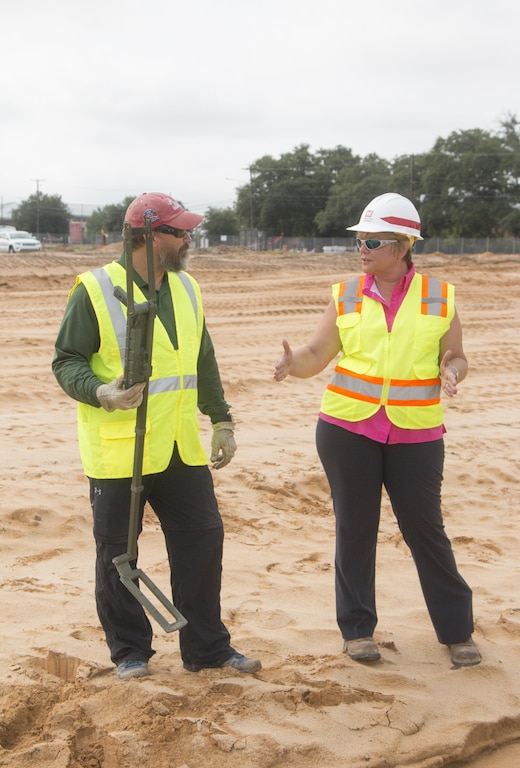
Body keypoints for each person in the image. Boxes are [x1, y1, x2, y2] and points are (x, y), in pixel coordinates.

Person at [52, 191, 261, 680]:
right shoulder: (95, 289)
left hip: (179, 445)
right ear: (145, 236)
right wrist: (102, 391)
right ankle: (129, 652)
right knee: (118, 554)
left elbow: (201, 358)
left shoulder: (187, 288)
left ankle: (207, 648)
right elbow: (66, 361)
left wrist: (221, 417)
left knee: (203, 542)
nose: (188, 239)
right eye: (178, 231)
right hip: (121, 450)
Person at [274, 192, 481, 668]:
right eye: (360, 239)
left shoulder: (440, 297)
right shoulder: (346, 293)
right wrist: (294, 364)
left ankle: (456, 631)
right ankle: (357, 631)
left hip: (417, 432)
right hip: (347, 429)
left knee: (426, 530)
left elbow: (459, 357)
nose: (361, 249)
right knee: (355, 527)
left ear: (404, 244)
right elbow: (316, 354)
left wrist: (454, 373)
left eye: (372, 240)